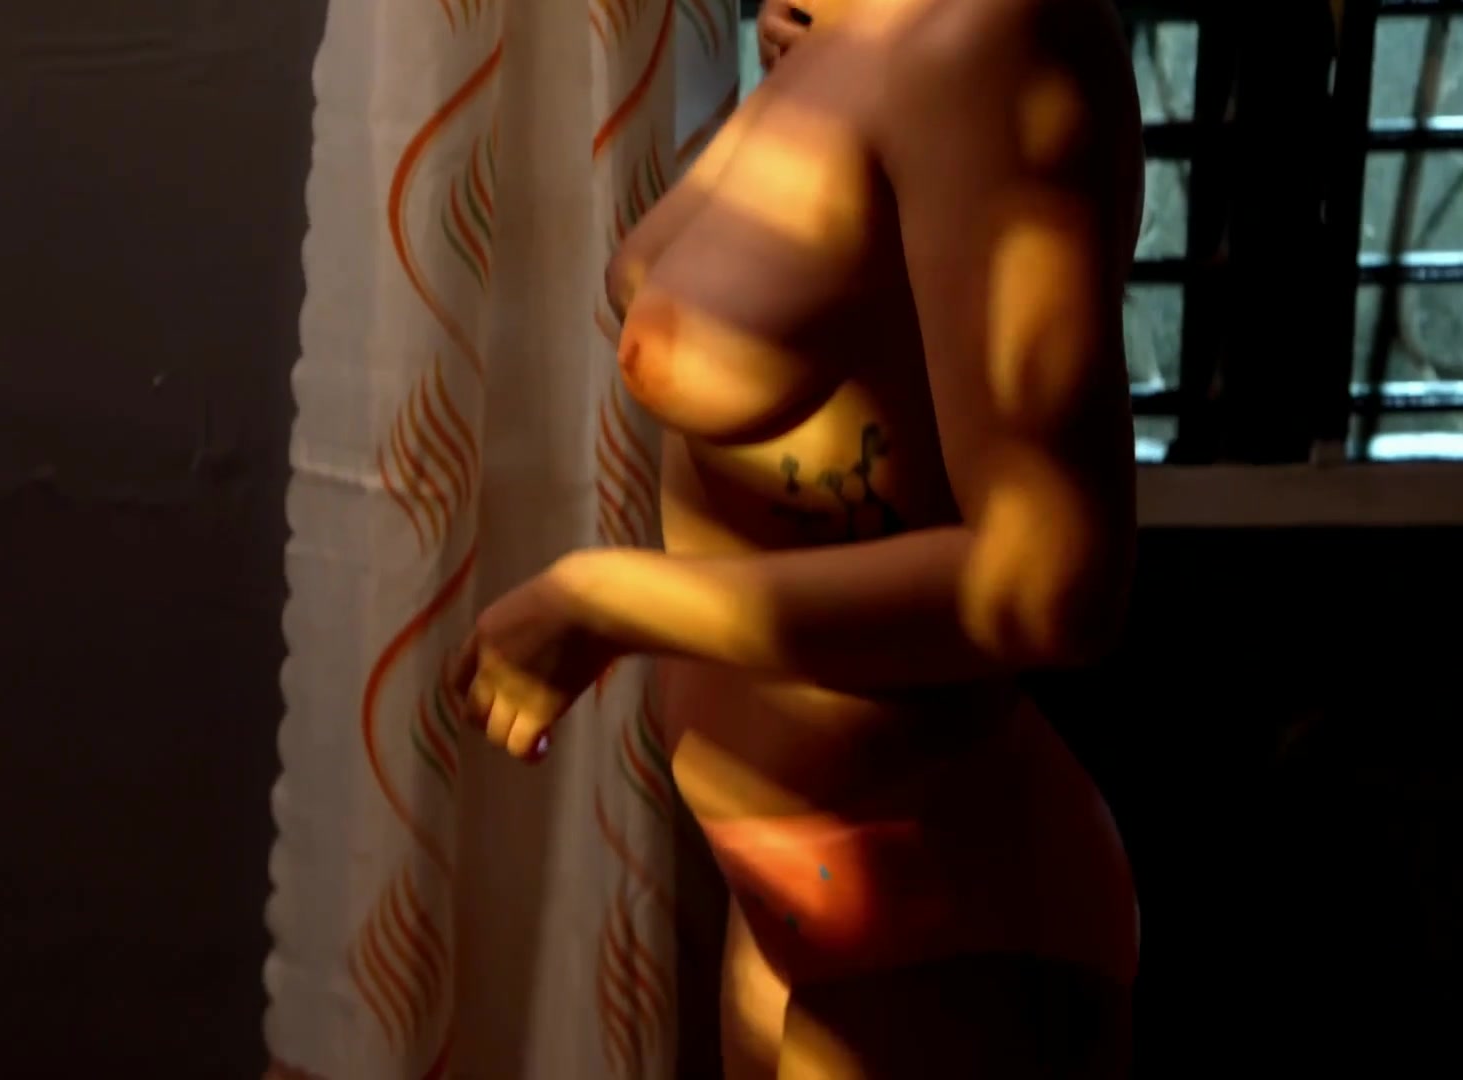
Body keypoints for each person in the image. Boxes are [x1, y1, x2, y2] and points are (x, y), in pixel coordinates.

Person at [451, 0, 1146, 1075]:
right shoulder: (846, 25)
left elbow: (1051, 582)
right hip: (791, 894)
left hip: (937, 911)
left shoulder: (990, 42)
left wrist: (610, 600)